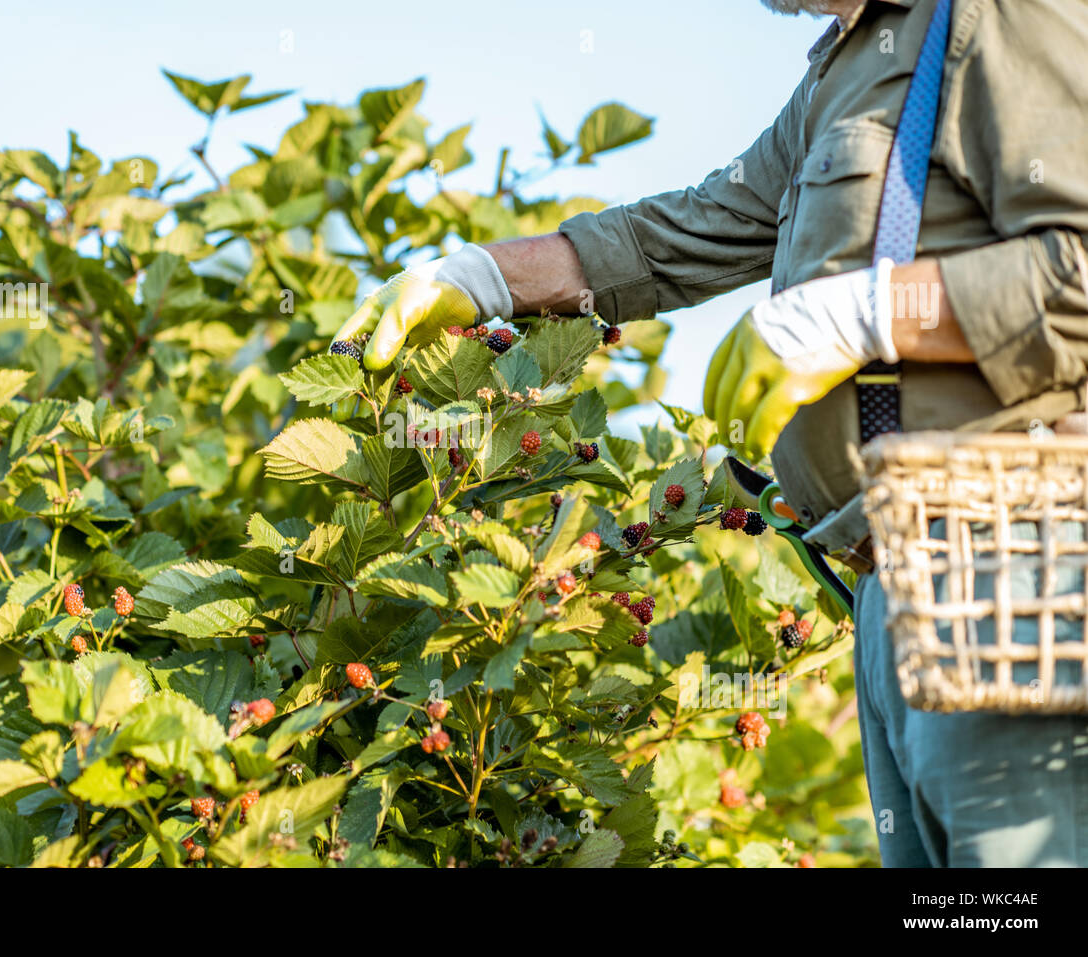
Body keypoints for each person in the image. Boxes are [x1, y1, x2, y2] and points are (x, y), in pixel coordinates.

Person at [332, 0, 1088, 866]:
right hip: (891, 584)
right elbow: (673, 236)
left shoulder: (1003, 14)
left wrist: (875, 312)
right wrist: (479, 277)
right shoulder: (847, 71)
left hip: (1016, 562)